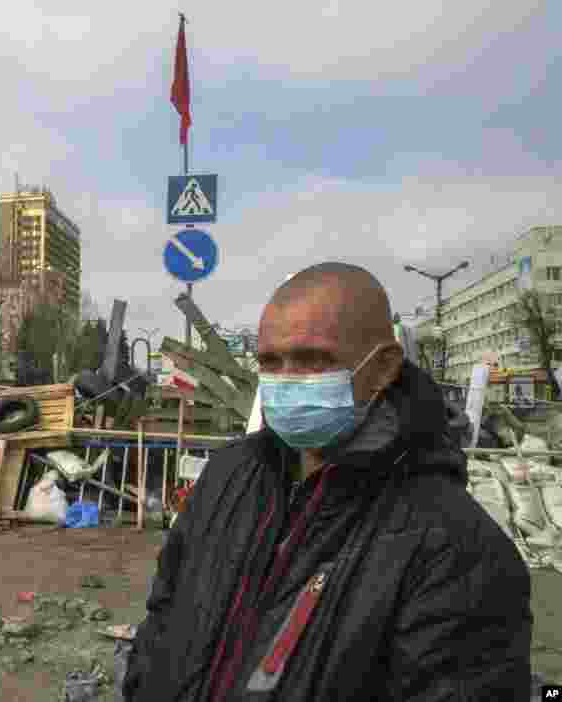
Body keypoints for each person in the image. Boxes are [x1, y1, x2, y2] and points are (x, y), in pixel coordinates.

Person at [122, 262, 531, 701]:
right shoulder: (229, 475)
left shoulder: (454, 547)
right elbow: (165, 617)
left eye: (313, 360)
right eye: (271, 362)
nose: (287, 380)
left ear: (384, 366)